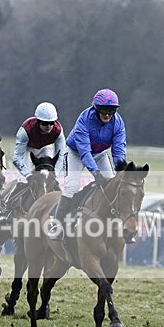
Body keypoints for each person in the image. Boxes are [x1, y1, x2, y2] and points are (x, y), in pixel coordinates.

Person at [50, 88, 127, 240]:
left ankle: (116, 225)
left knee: (112, 184)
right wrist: (96, 173)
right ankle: (56, 225)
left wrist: (121, 170)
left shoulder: (118, 123)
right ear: (96, 108)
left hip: (99, 154)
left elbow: (118, 150)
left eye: (111, 111)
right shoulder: (84, 119)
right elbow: (84, 152)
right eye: (103, 111)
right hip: (76, 153)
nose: (107, 115)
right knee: (72, 187)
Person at [12, 102, 65, 179]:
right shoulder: (26, 130)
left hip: (45, 147)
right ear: (38, 121)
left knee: (49, 174)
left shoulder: (58, 131)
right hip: (27, 149)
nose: (48, 126)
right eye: (45, 123)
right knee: (24, 179)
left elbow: (61, 156)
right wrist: (28, 175)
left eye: (51, 123)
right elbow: (17, 158)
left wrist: (55, 174)